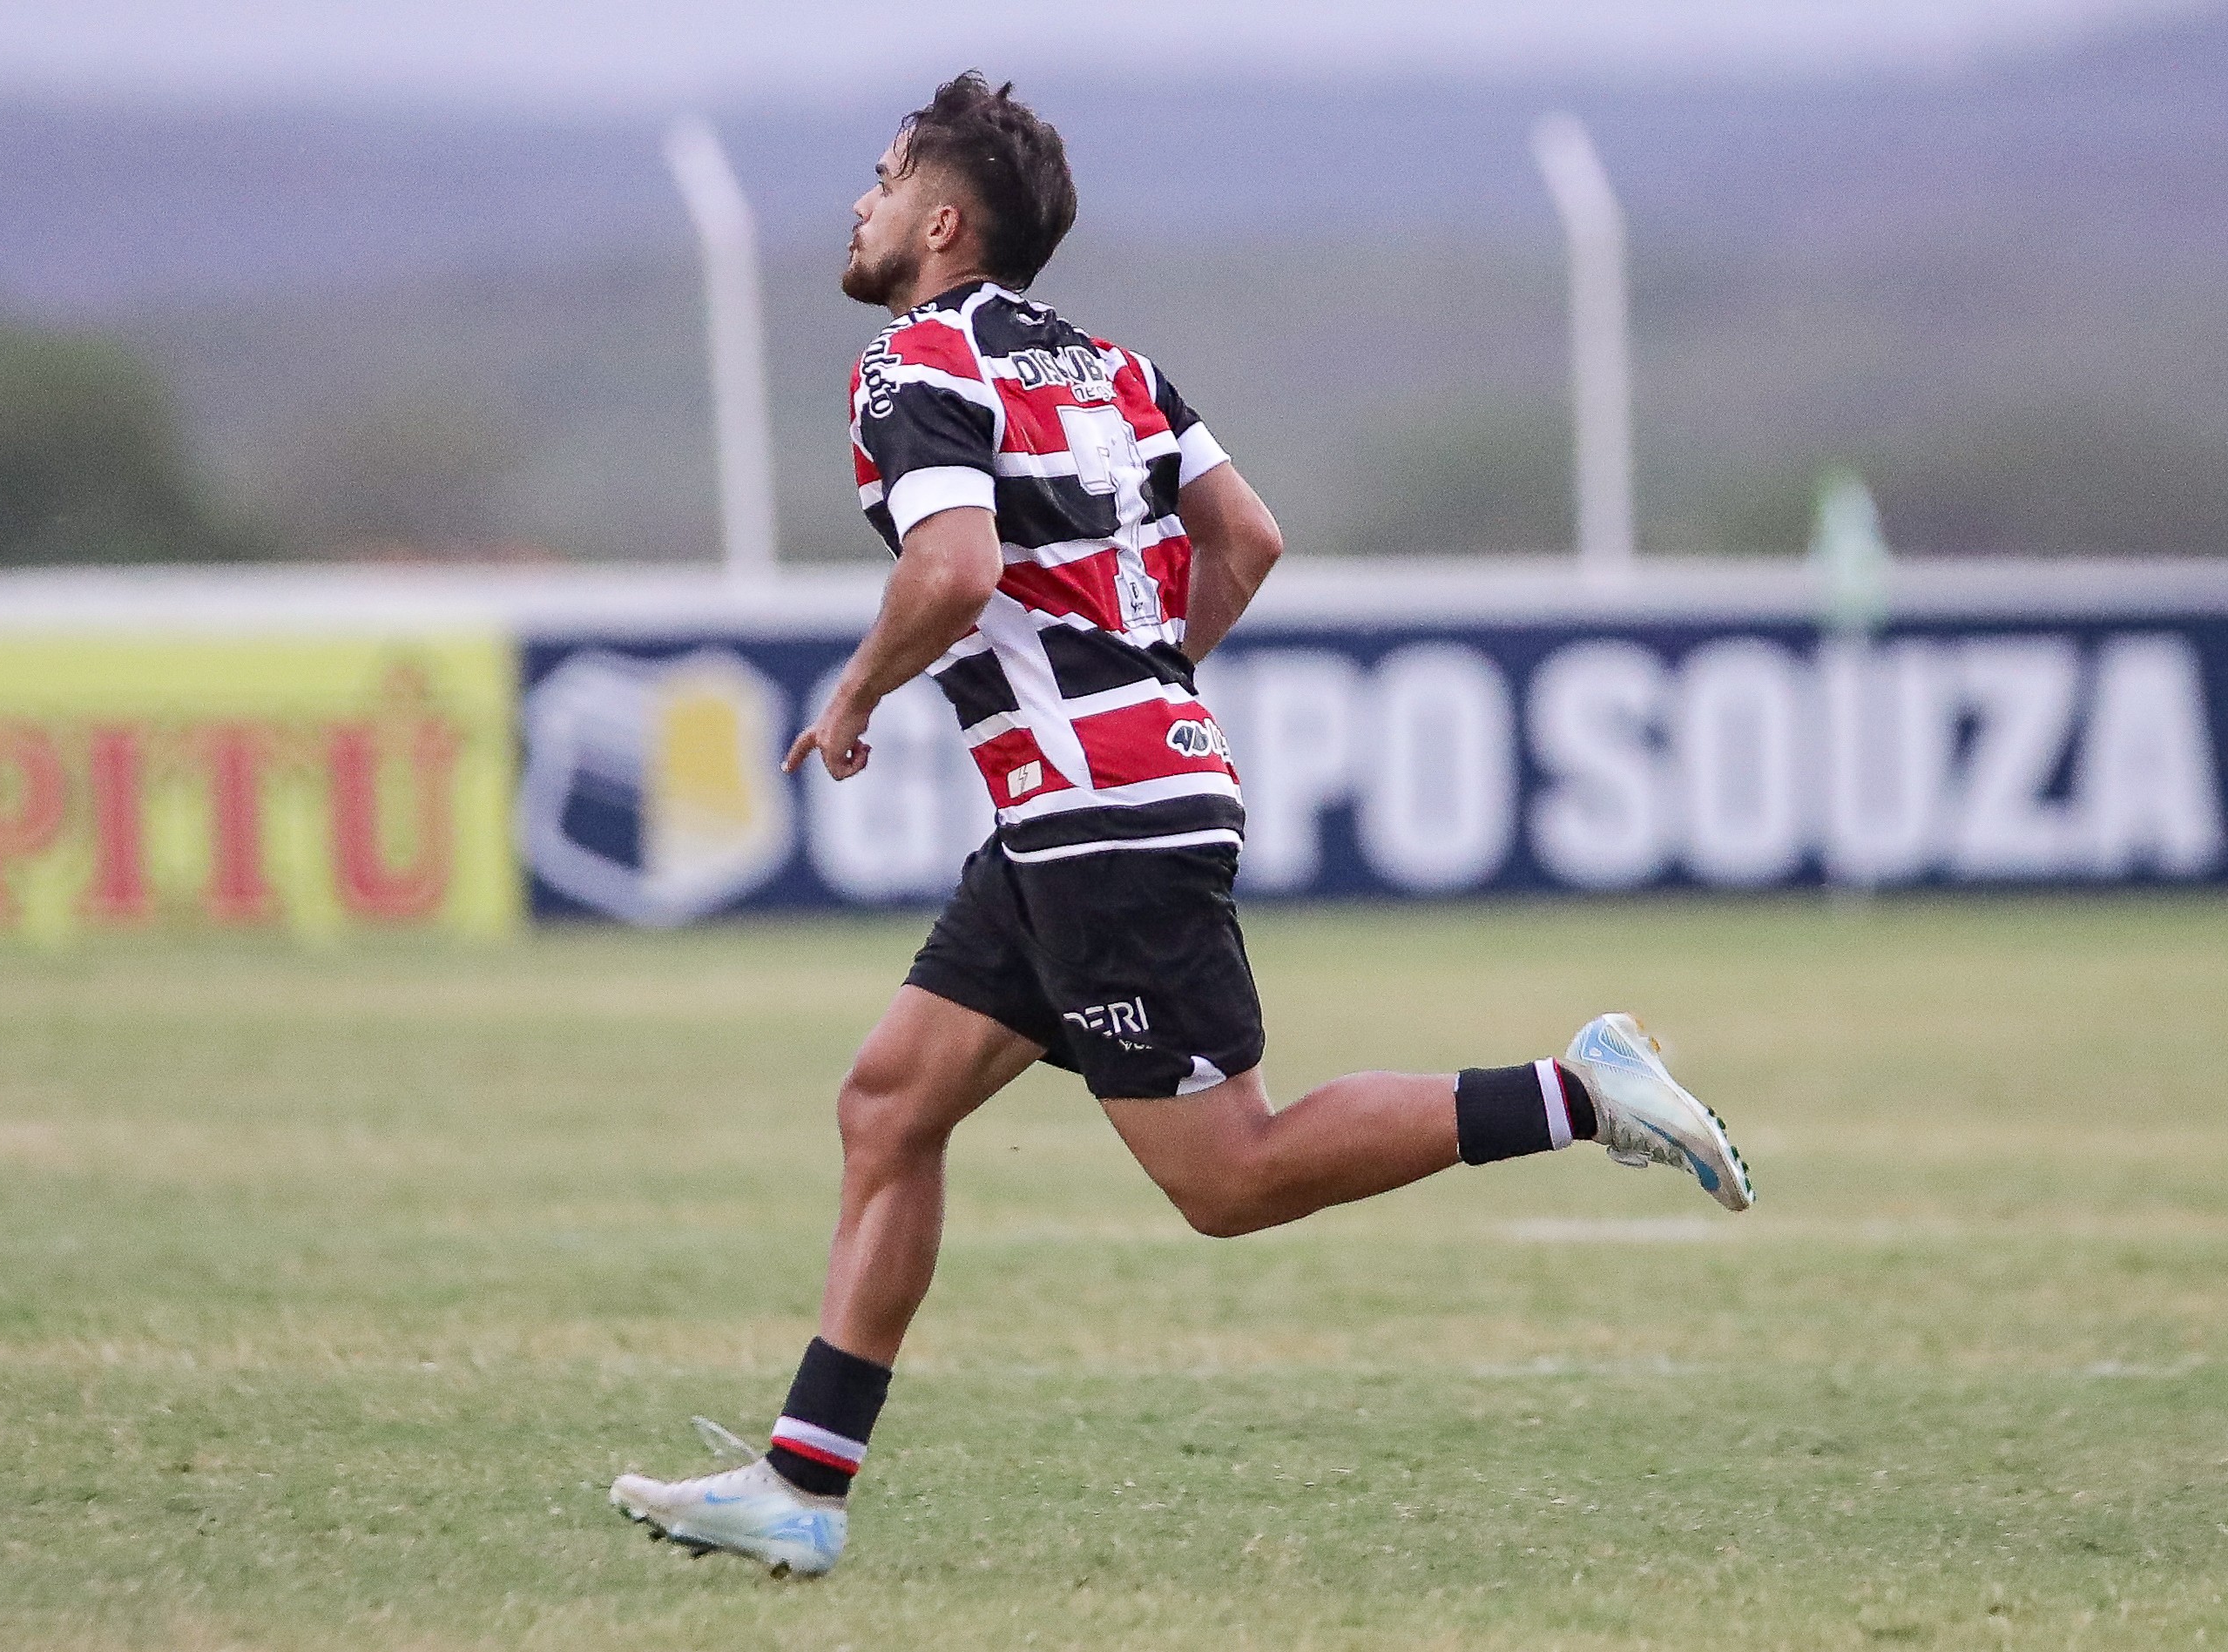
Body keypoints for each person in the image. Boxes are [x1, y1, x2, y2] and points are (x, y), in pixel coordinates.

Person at [612, 72, 1753, 1579]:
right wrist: (1140, 687)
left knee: (1230, 1176)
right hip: (1082, 812)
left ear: (941, 223)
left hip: (1095, 818)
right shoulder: (1114, 367)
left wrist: (857, 694)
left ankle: (1576, 1089)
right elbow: (1249, 537)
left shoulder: (909, 367)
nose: (860, 200)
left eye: (883, 178)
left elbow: (951, 573)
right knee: (888, 1105)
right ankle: (802, 1485)